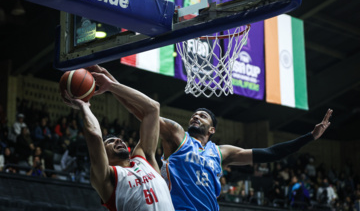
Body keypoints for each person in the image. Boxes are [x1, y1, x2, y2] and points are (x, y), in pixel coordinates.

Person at [88, 65, 333, 211]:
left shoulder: (222, 152)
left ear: (212, 129)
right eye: (194, 114)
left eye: (202, 116)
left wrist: (309, 137)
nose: (196, 117)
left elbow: (270, 154)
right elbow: (143, 113)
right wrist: (113, 84)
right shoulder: (177, 137)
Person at [61, 72, 174, 211]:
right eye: (110, 141)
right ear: (104, 154)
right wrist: (84, 106)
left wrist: (112, 86)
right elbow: (95, 136)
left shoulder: (144, 158)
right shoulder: (106, 177)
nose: (118, 140)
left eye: (118, 139)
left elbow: (153, 108)